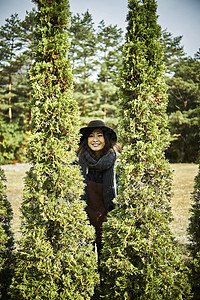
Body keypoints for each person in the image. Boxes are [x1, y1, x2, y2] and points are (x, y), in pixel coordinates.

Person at [77, 120, 120, 259]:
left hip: (109, 222)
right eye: (91, 136)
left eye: (99, 135)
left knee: (108, 265)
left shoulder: (117, 162)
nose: (95, 140)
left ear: (106, 138)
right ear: (86, 139)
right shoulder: (78, 161)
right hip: (85, 222)